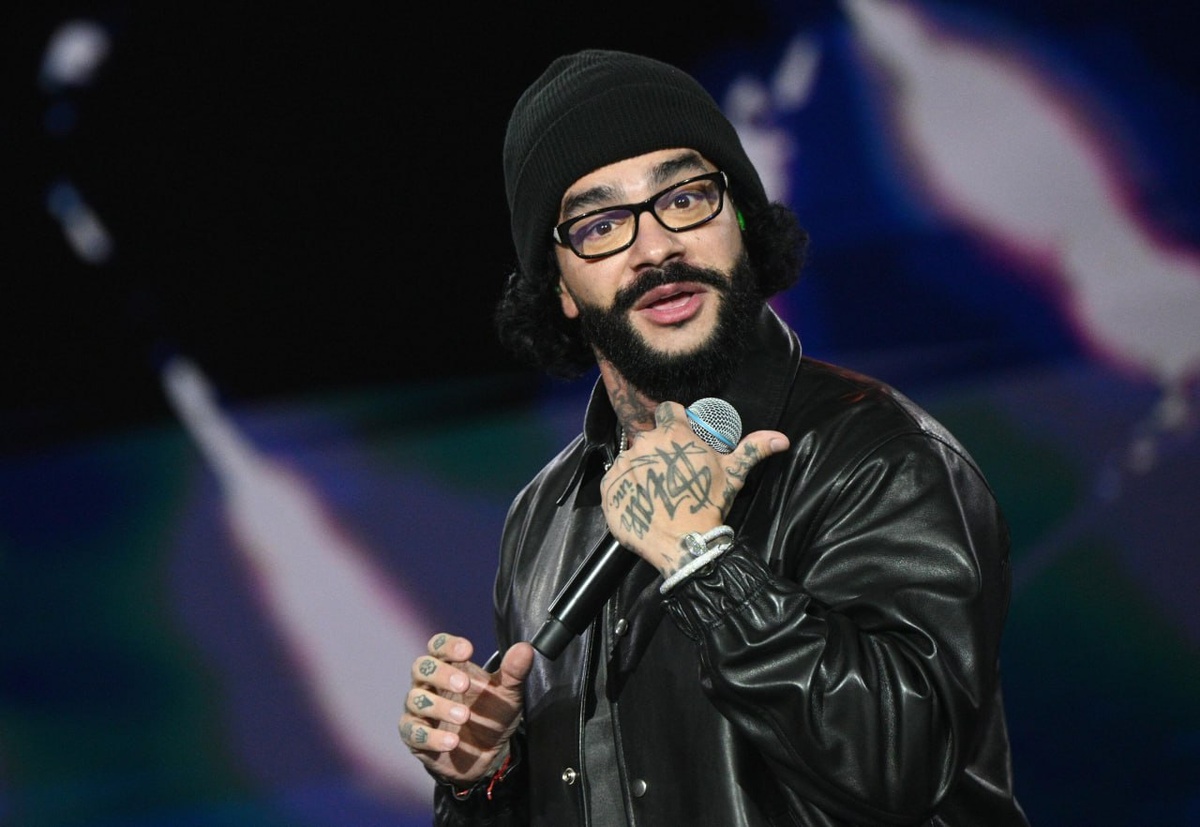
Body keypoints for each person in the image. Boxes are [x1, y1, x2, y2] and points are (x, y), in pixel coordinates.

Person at [398, 48, 1029, 826]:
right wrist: (487, 777)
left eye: (686, 197)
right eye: (601, 225)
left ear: (741, 219)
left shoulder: (878, 452)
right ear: (559, 285)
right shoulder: (543, 516)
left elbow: (901, 763)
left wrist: (706, 563)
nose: (655, 247)